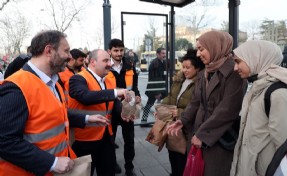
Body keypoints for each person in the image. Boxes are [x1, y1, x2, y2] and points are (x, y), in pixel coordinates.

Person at [0, 30, 110, 176]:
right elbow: (4, 141)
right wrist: (51, 162)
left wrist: (86, 119)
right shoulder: (16, 87)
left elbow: (56, 113)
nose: (70, 56)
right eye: (66, 51)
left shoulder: (53, 83)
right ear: (49, 51)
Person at [166, 30, 247, 176]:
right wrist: (183, 120)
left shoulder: (234, 74)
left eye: (201, 49)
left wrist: (203, 135)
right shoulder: (207, 70)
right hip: (199, 136)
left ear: (215, 46)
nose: (198, 54)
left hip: (218, 141)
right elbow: (196, 101)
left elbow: (227, 111)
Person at [68, 49, 129, 176]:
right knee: (84, 173)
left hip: (106, 136)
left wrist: (122, 112)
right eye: (105, 60)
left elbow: (112, 103)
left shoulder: (109, 80)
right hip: (84, 140)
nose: (110, 64)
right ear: (93, 62)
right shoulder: (77, 79)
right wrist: (115, 92)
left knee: (108, 171)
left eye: (109, 61)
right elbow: (85, 96)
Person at [230, 40, 287, 176]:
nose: (235, 68)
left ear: (256, 59)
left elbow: (283, 146)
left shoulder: (277, 93)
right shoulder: (257, 87)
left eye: (238, 62)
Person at [160, 48, 204, 176]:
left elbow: (199, 107)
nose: (184, 70)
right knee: (173, 159)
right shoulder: (179, 80)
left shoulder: (200, 84)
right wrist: (162, 107)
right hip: (173, 129)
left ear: (197, 68)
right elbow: (171, 96)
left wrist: (179, 112)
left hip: (186, 131)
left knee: (183, 164)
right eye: (183, 67)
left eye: (188, 67)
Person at [108, 39, 141, 176]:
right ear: (109, 51)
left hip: (128, 107)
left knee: (129, 140)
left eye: (121, 50)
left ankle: (129, 167)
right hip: (110, 109)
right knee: (110, 140)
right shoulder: (105, 66)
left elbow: (134, 87)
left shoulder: (130, 66)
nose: (119, 53)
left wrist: (137, 95)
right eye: (116, 50)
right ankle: (113, 163)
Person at [141, 47, 167, 126]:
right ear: (158, 54)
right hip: (155, 89)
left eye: (165, 53)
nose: (164, 55)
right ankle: (144, 120)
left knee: (152, 103)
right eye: (162, 53)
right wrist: (157, 92)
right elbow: (153, 79)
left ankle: (144, 120)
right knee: (150, 104)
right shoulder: (155, 64)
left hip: (160, 87)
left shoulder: (162, 62)